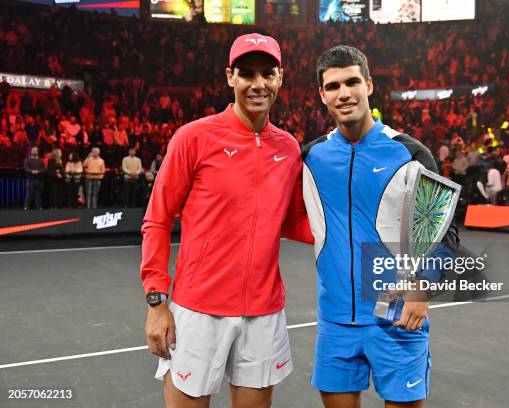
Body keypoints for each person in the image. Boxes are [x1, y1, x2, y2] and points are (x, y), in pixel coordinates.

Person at [285, 45, 459, 408]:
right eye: (333, 86)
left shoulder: (410, 153)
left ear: (368, 84)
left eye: (352, 82)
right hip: (334, 323)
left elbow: (446, 231)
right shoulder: (310, 157)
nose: (344, 93)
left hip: (395, 318)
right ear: (322, 94)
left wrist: (423, 287)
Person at [140, 33, 302, 408]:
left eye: (267, 73)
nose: (258, 84)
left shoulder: (289, 148)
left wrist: (360, 228)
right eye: (247, 74)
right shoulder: (194, 138)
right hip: (198, 310)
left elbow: (294, 223)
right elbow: (157, 221)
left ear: (281, 78)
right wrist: (156, 302)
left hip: (264, 312)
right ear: (231, 77)